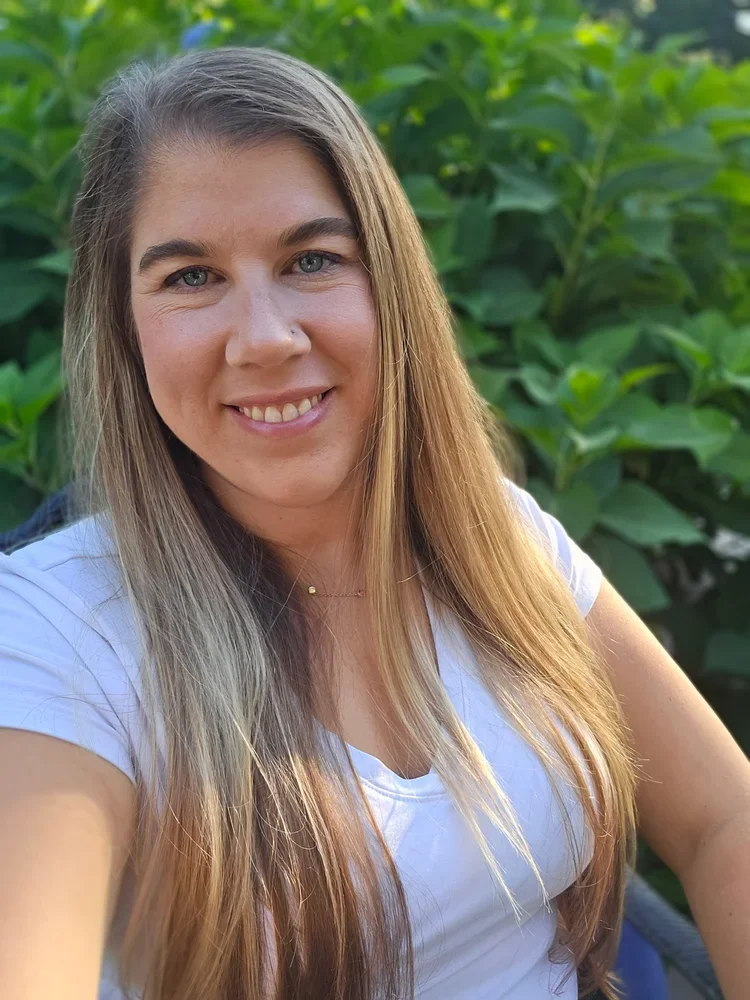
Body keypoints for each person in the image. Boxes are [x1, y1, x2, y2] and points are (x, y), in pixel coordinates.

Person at [0, 45, 747, 1000]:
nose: (265, 337)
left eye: (312, 259)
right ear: (124, 327)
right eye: (190, 278)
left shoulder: (497, 543)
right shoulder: (59, 638)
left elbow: (727, 817)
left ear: (391, 285)